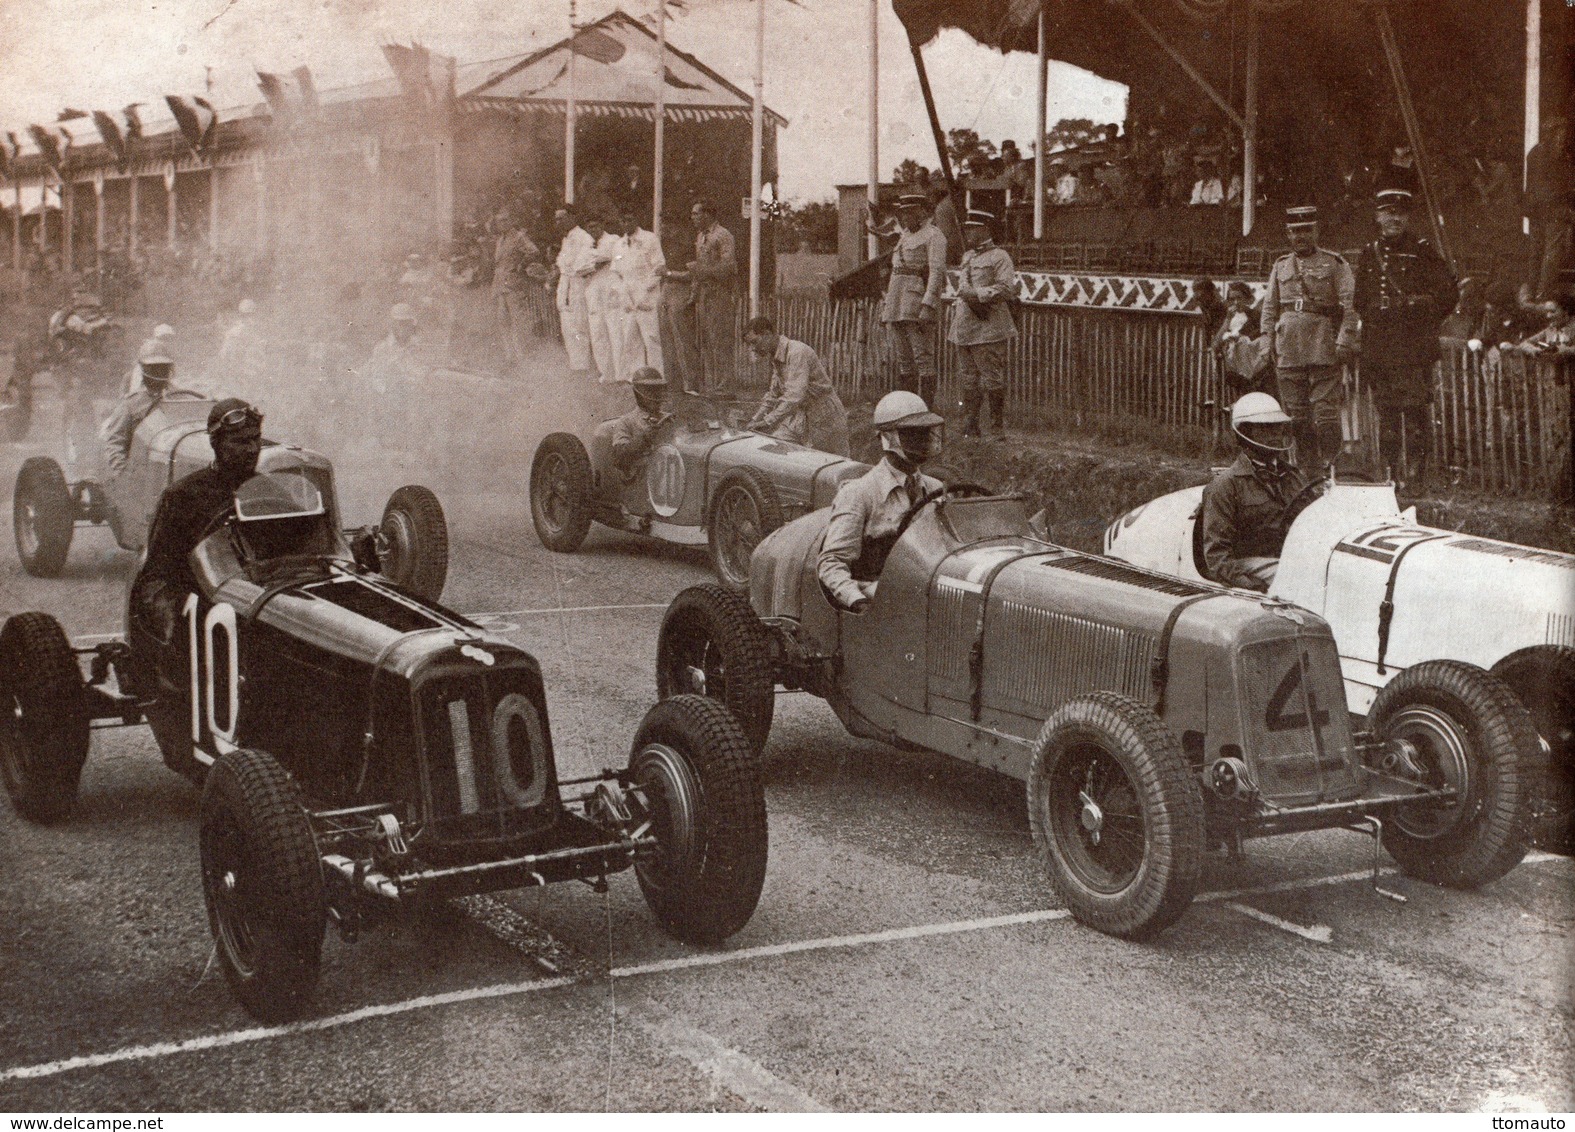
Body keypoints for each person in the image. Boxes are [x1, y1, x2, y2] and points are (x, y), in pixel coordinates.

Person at [133, 399, 264, 640]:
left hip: (263, 601)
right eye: (241, 441)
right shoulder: (182, 496)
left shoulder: (269, 490)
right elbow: (156, 577)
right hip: (207, 606)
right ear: (216, 443)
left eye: (256, 438)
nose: (252, 449)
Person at [1353, 188, 1457, 484]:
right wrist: (1376, 311)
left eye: (1399, 213)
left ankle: (1415, 474)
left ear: (1408, 217)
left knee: (1413, 412)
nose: (1393, 219)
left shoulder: (1422, 250)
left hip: (1412, 346)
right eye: (1387, 213)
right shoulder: (1369, 253)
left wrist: (1418, 304)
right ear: (1377, 216)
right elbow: (1359, 300)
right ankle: (1391, 474)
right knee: (1386, 413)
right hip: (1381, 347)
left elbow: (1449, 293)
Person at [817, 390, 944, 612]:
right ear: (887, 438)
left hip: (927, 594)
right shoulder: (859, 494)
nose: (923, 442)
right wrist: (857, 601)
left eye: (925, 434)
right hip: (880, 600)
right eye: (912, 435)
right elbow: (831, 562)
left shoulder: (935, 489)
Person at [1259, 205, 1357, 469]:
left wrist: (1345, 339)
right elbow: (1270, 307)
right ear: (1288, 234)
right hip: (1288, 346)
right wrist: (1267, 339)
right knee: (1296, 413)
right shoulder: (1280, 266)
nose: (1300, 236)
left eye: (1306, 230)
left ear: (1316, 231)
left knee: (1326, 412)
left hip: (1322, 343)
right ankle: (1307, 467)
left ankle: (1330, 465)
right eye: (1295, 231)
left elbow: (1350, 305)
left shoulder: (1334, 263)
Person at [1199, 393, 1316, 593]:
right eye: (1266, 427)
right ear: (1245, 433)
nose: (1276, 434)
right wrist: (1253, 588)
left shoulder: (1295, 478)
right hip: (1251, 568)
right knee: (1300, 577)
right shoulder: (1225, 486)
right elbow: (1218, 559)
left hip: (1293, 563)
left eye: (1278, 426)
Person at [948, 210, 1017, 439]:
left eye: (973, 228)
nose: (968, 233)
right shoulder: (967, 256)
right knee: (968, 376)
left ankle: (997, 428)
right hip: (966, 324)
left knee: (991, 376)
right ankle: (971, 425)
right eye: (967, 228)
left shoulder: (1000, 257)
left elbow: (1006, 288)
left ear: (985, 230)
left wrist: (977, 294)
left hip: (989, 325)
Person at [743, 316, 850, 457]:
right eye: (749, 345)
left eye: (754, 342)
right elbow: (773, 394)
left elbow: (794, 395)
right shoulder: (776, 357)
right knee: (774, 452)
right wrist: (754, 420)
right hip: (798, 417)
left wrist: (767, 422)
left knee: (831, 467)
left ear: (767, 334)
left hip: (825, 417)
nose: (752, 349)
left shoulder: (796, 352)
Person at [879, 193, 948, 406]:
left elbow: (936, 272)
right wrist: (888, 300)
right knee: (904, 362)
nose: (904, 217)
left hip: (916, 304)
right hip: (896, 302)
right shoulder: (905, 236)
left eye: (909, 213)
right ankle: (906, 409)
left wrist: (928, 305)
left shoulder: (934, 236)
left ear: (921, 213)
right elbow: (896, 270)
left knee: (923, 358)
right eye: (903, 213)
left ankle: (925, 410)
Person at [100, 352, 188, 476]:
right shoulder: (131, 404)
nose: (159, 374)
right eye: (154, 370)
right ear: (145, 373)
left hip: (176, 464)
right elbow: (115, 441)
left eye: (163, 369)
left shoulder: (181, 399)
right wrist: (124, 472)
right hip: (143, 470)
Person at [685, 200, 737, 394]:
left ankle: (725, 387)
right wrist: (693, 293)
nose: (693, 218)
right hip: (704, 294)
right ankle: (712, 385)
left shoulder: (723, 235)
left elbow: (728, 266)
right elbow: (699, 268)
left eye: (696, 214)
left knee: (720, 340)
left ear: (707, 214)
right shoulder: (700, 236)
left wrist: (703, 270)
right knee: (706, 341)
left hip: (720, 293)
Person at [614, 208, 666, 375]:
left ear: (636, 220)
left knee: (652, 338)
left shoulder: (649, 239)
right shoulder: (618, 245)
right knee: (630, 338)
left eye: (630, 219)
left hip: (647, 295)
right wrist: (624, 294)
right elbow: (616, 273)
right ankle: (636, 377)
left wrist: (644, 291)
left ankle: (656, 375)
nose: (626, 224)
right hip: (628, 298)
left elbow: (659, 267)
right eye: (623, 221)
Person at [579, 213, 629, 383]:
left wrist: (593, 262)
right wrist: (594, 264)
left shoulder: (614, 240)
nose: (593, 229)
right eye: (590, 227)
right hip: (593, 291)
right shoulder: (585, 245)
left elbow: (613, 258)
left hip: (611, 290)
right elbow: (578, 268)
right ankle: (606, 373)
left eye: (596, 225)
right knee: (598, 332)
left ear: (602, 225)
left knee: (615, 331)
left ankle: (621, 373)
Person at [598, 367, 669, 482]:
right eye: (649, 390)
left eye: (658, 390)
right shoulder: (626, 422)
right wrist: (644, 439)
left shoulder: (669, 418)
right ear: (638, 393)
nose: (655, 396)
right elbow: (619, 457)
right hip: (641, 479)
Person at [492, 210, 542, 366]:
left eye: (506, 220)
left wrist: (520, 265)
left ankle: (522, 357)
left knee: (516, 320)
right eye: (500, 221)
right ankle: (510, 357)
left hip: (513, 283)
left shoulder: (519, 237)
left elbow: (533, 251)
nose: (503, 224)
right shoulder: (500, 239)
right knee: (502, 321)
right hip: (500, 283)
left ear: (511, 221)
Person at [552, 207, 595, 375]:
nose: (558, 223)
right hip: (566, 284)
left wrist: (569, 269)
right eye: (556, 219)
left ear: (572, 217)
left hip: (578, 285)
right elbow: (562, 263)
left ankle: (582, 366)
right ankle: (575, 365)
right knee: (567, 327)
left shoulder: (584, 238)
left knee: (579, 326)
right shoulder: (567, 239)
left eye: (561, 218)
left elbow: (582, 265)